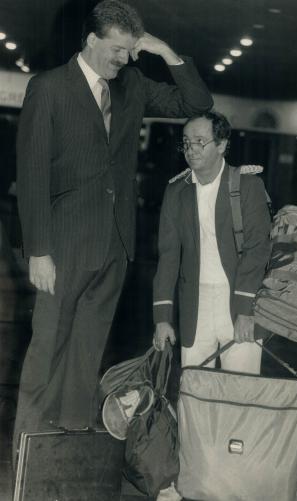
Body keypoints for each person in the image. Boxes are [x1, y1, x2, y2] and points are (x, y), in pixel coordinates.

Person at [13, 0, 213, 459]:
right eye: (118, 50)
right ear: (91, 41)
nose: (124, 59)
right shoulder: (48, 88)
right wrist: (38, 251)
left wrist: (164, 51)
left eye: (129, 51)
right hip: (61, 249)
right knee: (46, 356)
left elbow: (197, 104)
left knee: (86, 356)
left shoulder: (133, 86)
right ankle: (25, 454)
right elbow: (33, 174)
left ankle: (64, 454)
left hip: (114, 246)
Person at [152, 110, 271, 500]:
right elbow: (168, 256)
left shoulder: (246, 186)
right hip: (195, 305)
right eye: (186, 142)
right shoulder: (176, 191)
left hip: (240, 304)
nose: (191, 150)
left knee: (239, 395)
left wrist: (246, 310)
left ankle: (234, 482)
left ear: (222, 145)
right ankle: (190, 480)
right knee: (194, 398)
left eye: (200, 142)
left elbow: (258, 249)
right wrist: (163, 317)